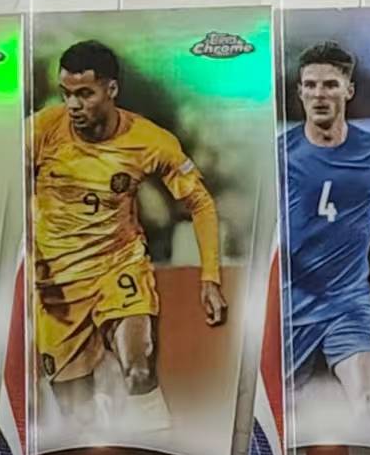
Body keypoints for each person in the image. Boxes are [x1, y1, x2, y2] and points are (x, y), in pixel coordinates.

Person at [31, 39, 226, 433]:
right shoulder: (43, 130)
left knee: (138, 368)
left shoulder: (150, 140)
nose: (73, 105)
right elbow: (12, 189)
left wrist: (210, 277)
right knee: (78, 417)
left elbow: (201, 203)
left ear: (112, 89)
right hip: (58, 286)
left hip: (118, 266)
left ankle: (160, 452)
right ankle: (103, 422)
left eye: (85, 94)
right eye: (66, 94)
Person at [281, 42, 370, 423]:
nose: (319, 94)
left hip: (348, 303)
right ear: (300, 92)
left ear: (348, 90)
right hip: (289, 306)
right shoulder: (281, 154)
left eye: (330, 85)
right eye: (310, 85)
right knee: (280, 415)